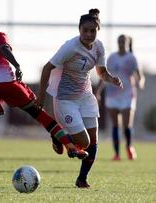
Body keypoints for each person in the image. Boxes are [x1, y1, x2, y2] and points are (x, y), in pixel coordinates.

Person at [0, 16, 88, 186]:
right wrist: (16, 65)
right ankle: (70, 146)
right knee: (37, 113)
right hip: (6, 82)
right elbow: (3, 49)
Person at [36, 9, 123, 188]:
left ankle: (82, 179)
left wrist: (111, 79)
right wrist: (41, 97)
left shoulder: (99, 46)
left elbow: (101, 72)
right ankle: (60, 137)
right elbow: (47, 68)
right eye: (85, 30)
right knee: (84, 142)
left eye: (93, 31)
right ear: (79, 30)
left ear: (98, 30)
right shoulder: (70, 47)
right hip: (66, 99)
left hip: (85, 96)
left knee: (93, 141)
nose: (89, 34)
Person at [96, 34, 145, 161]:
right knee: (115, 125)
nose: (121, 43)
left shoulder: (132, 58)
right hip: (112, 94)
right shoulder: (112, 57)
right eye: (119, 41)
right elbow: (104, 75)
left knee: (126, 125)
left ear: (128, 43)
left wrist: (140, 82)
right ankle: (117, 154)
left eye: (124, 41)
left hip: (127, 94)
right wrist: (99, 91)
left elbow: (140, 76)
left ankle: (129, 147)